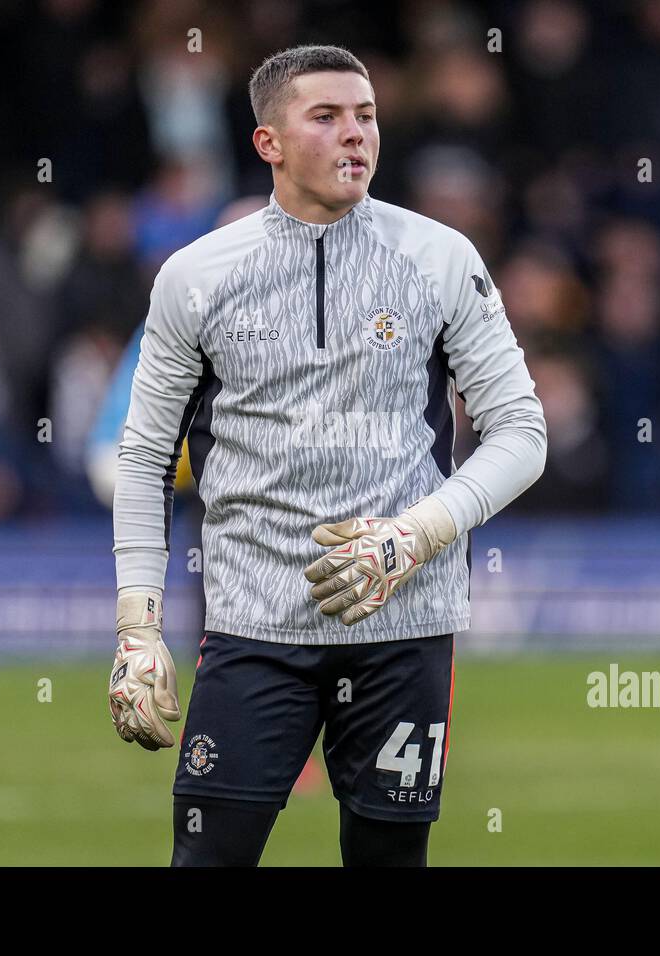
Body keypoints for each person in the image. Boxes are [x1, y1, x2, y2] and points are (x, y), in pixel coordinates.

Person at [108, 44, 546, 867]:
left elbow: (523, 432)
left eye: (368, 116)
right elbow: (142, 457)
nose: (357, 136)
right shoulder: (196, 277)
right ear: (267, 142)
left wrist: (415, 534)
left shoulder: (440, 258)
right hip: (252, 625)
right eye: (328, 117)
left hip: (405, 625)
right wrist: (137, 626)